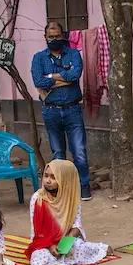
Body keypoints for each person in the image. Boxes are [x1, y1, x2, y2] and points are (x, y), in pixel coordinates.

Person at [32, 22, 92, 201]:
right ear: (45, 38)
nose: (54, 40)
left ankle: (84, 186)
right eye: (51, 37)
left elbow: (75, 75)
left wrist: (49, 77)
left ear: (63, 36)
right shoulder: (38, 58)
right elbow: (38, 81)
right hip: (51, 111)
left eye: (57, 36)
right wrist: (61, 78)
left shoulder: (73, 54)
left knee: (79, 151)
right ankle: (60, 188)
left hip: (72, 109)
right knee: (58, 152)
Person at [26, 160, 110, 265]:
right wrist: (50, 245)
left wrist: (65, 243)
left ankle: (99, 248)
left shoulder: (71, 199)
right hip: (44, 242)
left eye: (53, 177)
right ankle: (64, 260)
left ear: (65, 181)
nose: (47, 181)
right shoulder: (37, 199)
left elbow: (76, 225)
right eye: (46, 176)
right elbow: (36, 231)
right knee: (39, 260)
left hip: (67, 239)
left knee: (79, 248)